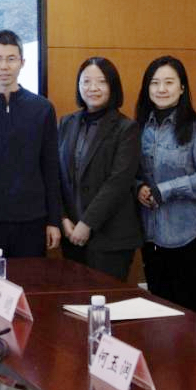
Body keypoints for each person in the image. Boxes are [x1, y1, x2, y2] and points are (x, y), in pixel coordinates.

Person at [0, 29, 61, 259]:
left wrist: (54, 220)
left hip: (32, 218)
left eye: (11, 59)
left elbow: (50, 167)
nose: (4, 66)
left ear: (22, 62)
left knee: (30, 279)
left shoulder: (42, 109)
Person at [134, 56, 196, 312]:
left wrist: (166, 190)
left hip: (188, 236)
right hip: (151, 235)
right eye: (155, 83)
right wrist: (138, 187)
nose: (161, 89)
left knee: (190, 315)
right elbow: (132, 171)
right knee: (158, 314)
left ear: (182, 87)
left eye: (169, 82)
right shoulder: (140, 127)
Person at [57, 57, 141, 281]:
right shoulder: (66, 123)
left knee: (106, 299)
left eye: (101, 82)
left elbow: (118, 183)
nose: (92, 88)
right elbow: (57, 175)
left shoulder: (127, 128)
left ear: (113, 86)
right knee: (73, 299)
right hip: (70, 233)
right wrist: (63, 217)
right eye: (86, 81)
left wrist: (87, 224)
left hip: (110, 238)